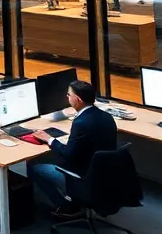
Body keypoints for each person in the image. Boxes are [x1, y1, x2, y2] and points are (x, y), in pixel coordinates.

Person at [29, 80, 116, 217]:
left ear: (78, 99)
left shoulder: (81, 123)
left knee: (34, 169)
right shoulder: (106, 116)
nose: (67, 97)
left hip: (83, 178)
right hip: (104, 176)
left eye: (69, 95)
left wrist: (49, 139)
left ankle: (66, 207)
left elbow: (69, 154)